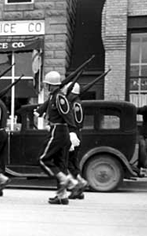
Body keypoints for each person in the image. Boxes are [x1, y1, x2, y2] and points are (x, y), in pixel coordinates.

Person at [36, 71, 80, 205]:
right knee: (60, 164)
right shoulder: (54, 96)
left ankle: (65, 179)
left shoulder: (59, 98)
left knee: (43, 159)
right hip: (60, 131)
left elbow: (68, 114)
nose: (46, 87)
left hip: (58, 131)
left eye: (47, 85)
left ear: (51, 85)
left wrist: (72, 132)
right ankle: (62, 196)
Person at [65, 83, 89, 199]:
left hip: (73, 134)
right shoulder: (77, 103)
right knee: (74, 162)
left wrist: (71, 134)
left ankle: (78, 184)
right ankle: (79, 189)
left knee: (69, 162)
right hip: (76, 133)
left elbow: (75, 122)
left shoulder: (74, 105)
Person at [137, 104, 147, 177]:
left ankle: (144, 167)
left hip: (145, 133)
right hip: (146, 133)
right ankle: (143, 167)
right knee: (144, 147)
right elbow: (136, 110)